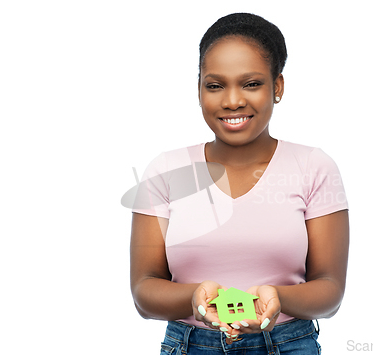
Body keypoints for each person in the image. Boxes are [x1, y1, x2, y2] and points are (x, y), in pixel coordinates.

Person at [130, 12, 349, 354]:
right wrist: (194, 298)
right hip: (190, 345)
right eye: (215, 85)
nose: (232, 100)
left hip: (288, 344)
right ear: (199, 87)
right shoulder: (166, 170)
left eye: (251, 83)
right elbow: (144, 291)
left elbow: (331, 291)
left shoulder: (313, 167)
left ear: (277, 86)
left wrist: (278, 299)